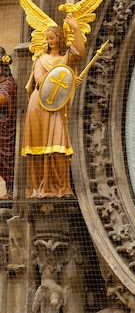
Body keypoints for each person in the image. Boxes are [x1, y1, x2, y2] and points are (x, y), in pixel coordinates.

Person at [22, 14, 84, 198]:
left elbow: (80, 52)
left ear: (59, 38)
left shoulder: (66, 58)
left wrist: (76, 28)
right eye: (48, 38)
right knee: (38, 145)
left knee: (59, 143)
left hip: (56, 106)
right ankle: (39, 188)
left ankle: (60, 187)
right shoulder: (40, 59)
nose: (50, 41)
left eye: (53, 37)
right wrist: (71, 79)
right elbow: (43, 81)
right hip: (38, 103)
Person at [0, 47, 16, 199]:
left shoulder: (8, 83)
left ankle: (13, 191)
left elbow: (3, 99)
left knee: (7, 160)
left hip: (6, 132)